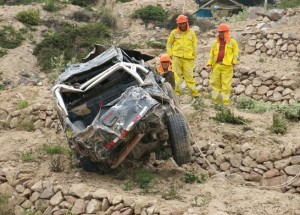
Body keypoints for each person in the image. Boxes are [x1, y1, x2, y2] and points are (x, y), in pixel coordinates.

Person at [166, 14, 200, 103]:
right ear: (178, 24)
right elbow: (169, 44)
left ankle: (195, 96)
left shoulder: (192, 33)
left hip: (188, 59)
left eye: (184, 23)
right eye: (180, 24)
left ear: (187, 23)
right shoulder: (174, 33)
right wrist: (170, 55)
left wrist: (193, 56)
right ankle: (176, 95)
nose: (182, 25)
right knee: (176, 77)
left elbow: (195, 46)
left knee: (189, 78)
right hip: (176, 58)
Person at [206, 23, 239, 106]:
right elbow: (211, 55)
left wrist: (233, 63)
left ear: (227, 32)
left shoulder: (233, 42)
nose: (220, 33)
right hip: (216, 66)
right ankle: (215, 102)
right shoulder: (215, 43)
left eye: (222, 32)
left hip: (227, 66)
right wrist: (209, 64)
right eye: (220, 32)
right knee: (215, 85)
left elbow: (236, 54)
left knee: (226, 86)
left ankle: (225, 103)